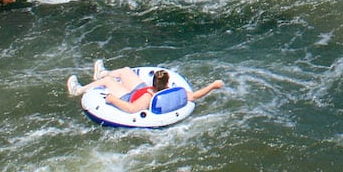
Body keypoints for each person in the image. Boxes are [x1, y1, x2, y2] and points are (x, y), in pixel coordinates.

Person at [68, 62, 226, 111]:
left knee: (108, 82)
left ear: (153, 83)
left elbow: (131, 108)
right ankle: (102, 73)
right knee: (125, 71)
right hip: (140, 89)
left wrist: (112, 99)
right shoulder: (172, 91)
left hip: (130, 97)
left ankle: (78, 90)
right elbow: (196, 95)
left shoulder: (148, 97)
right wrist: (213, 85)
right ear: (167, 83)